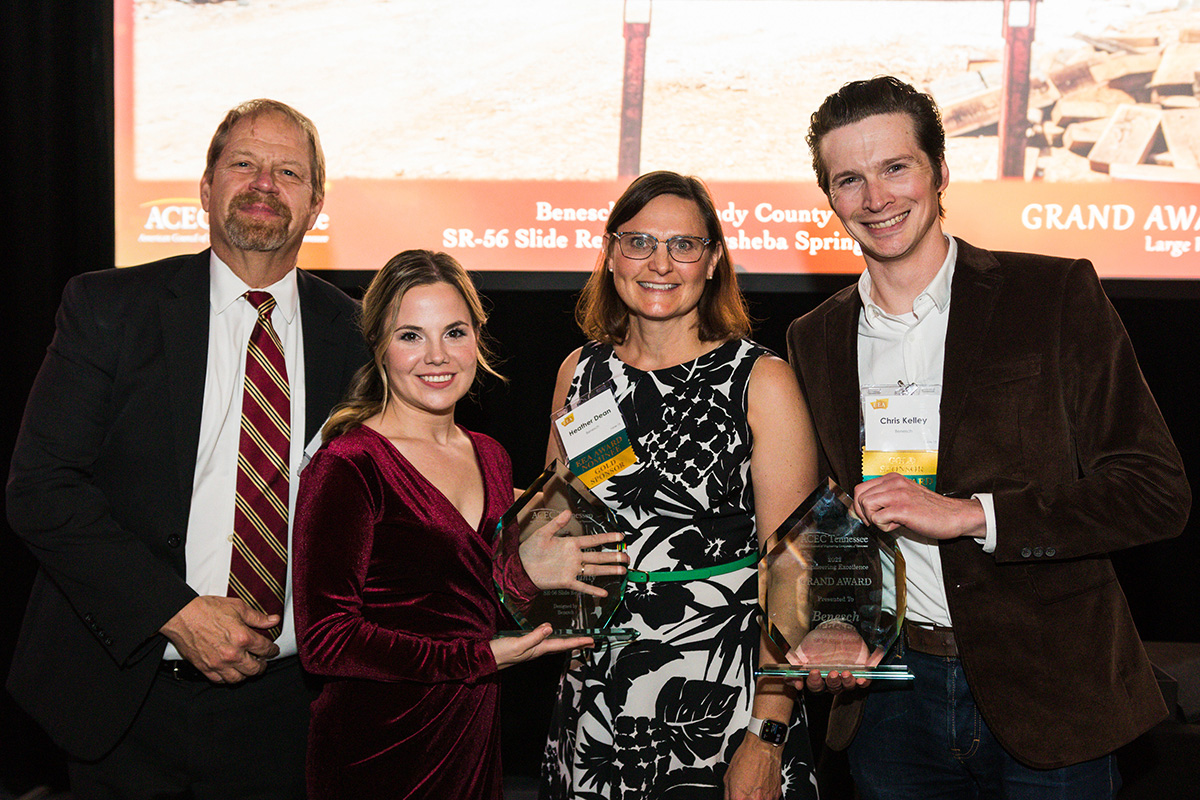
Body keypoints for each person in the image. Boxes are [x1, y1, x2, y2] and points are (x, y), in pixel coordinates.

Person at [786, 75, 1191, 799]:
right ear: (829, 197)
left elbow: (1154, 492)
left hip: (1048, 690)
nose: (876, 198)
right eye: (849, 179)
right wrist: (837, 618)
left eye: (895, 168)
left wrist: (973, 514)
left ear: (941, 173)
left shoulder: (1052, 295)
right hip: (890, 704)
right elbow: (833, 510)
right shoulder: (814, 337)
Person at [5, 100, 368, 798]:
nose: (265, 183)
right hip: (129, 694)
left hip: (291, 712)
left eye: (288, 171)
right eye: (244, 164)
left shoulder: (359, 337)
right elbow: (41, 488)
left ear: (316, 205)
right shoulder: (108, 308)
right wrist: (174, 610)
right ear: (205, 188)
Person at [292, 249, 626, 800]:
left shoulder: (490, 455)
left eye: (454, 331)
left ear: (478, 337)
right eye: (410, 336)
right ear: (378, 345)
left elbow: (464, 599)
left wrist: (524, 579)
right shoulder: (350, 463)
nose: (436, 356)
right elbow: (326, 642)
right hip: (376, 751)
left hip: (469, 740)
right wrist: (482, 657)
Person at [540, 171, 821, 800]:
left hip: (722, 701)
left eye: (684, 245)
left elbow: (795, 576)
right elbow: (555, 533)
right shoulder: (578, 374)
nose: (660, 263)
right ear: (611, 252)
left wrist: (767, 736)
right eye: (638, 242)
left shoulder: (760, 381)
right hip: (595, 696)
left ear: (713, 259)